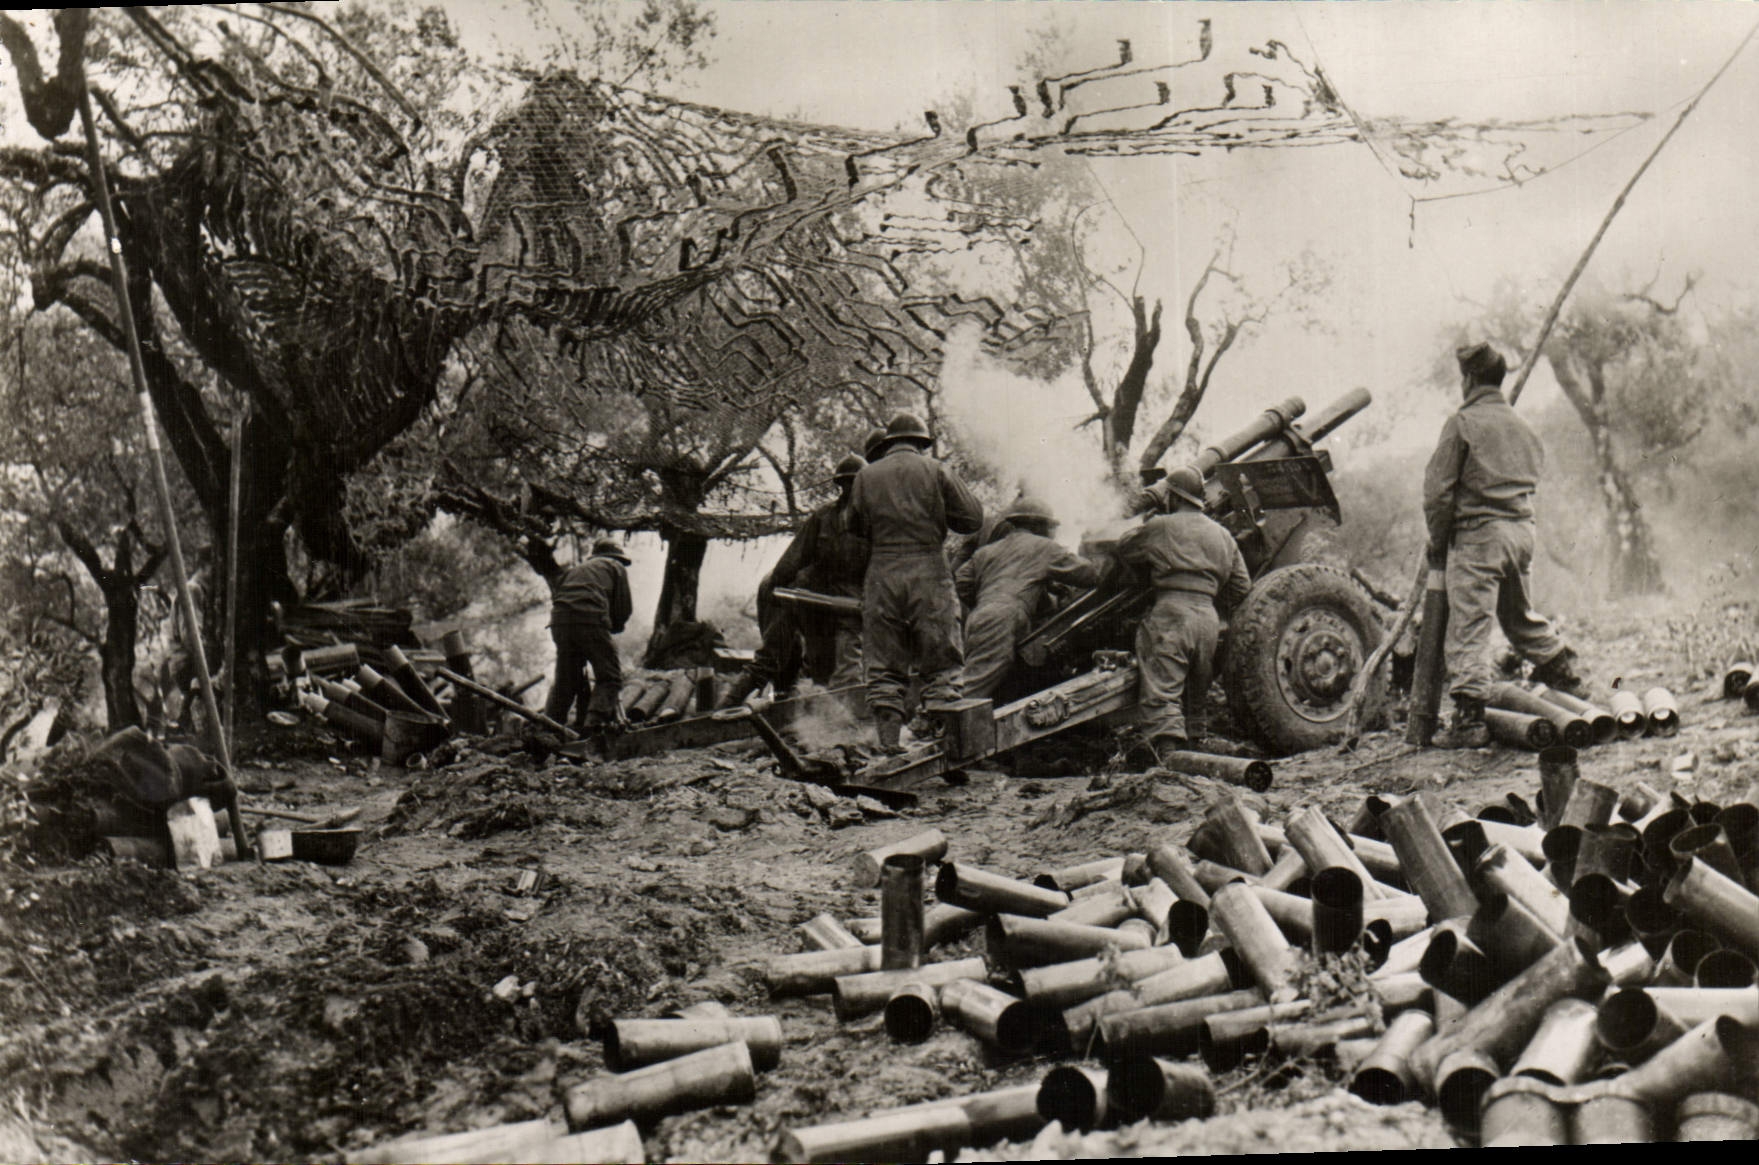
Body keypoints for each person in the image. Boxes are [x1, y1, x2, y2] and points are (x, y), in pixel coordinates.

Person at [1424, 342, 1589, 749]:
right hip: (1521, 532)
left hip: (1481, 537)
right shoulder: (1524, 426)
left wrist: (1438, 540)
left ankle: (1468, 723)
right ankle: (1566, 678)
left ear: (1470, 380)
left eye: (1463, 377)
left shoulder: (1461, 423)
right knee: (1519, 616)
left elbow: (1437, 495)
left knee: (1469, 628)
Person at [847, 412, 985, 752]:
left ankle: (889, 744)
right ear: (922, 442)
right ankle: (948, 749)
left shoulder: (864, 476)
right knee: (941, 661)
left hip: (882, 572)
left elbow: (853, 525)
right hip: (929, 571)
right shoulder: (936, 470)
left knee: (883, 662)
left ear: (889, 443)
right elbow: (972, 520)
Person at [1118, 465, 1250, 756]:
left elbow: (1124, 548)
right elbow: (1242, 586)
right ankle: (1196, 751)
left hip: (1172, 613)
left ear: (1173, 497)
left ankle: (1168, 759)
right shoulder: (1223, 535)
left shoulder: (1161, 526)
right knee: (1195, 695)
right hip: (1207, 618)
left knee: (1162, 691)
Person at [723, 454, 871, 704]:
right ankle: (728, 706)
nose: (851, 489)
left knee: (837, 669)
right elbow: (793, 559)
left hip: (848, 607)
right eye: (846, 483)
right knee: (779, 658)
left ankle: (834, 724)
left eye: (856, 483)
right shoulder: (823, 517)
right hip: (810, 602)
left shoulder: (872, 521)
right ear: (839, 485)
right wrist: (777, 591)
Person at [955, 497, 1099, 700]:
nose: (1052, 532)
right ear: (1039, 525)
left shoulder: (986, 551)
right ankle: (936, 725)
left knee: (989, 679)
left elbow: (962, 580)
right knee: (975, 685)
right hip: (1004, 618)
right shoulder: (1043, 546)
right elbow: (1088, 574)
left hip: (979, 615)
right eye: (1050, 527)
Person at [542, 539, 632, 732]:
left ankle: (549, 729)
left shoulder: (576, 570)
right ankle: (594, 726)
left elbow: (561, 597)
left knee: (567, 679)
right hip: (590, 619)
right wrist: (614, 626)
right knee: (610, 677)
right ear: (616, 557)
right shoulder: (615, 566)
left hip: (559, 622)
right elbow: (623, 607)